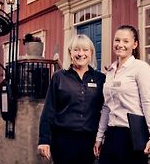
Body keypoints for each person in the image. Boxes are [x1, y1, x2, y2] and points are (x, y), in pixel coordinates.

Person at [93, 25, 150, 164]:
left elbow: (147, 104)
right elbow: (106, 107)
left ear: (134, 44)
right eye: (117, 40)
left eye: (125, 41)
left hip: (132, 136)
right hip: (111, 135)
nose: (120, 45)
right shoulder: (110, 71)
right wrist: (99, 137)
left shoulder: (140, 68)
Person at [37, 34, 106, 164]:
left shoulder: (101, 78)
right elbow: (48, 111)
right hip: (63, 142)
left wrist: (102, 138)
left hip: (90, 142)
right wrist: (44, 140)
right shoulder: (59, 77)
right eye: (76, 49)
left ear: (91, 53)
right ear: (70, 52)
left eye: (85, 50)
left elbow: (107, 109)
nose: (81, 54)